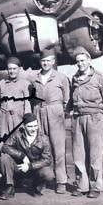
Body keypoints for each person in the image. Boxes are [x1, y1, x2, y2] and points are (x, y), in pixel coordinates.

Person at [70, 46, 103, 198]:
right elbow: (72, 98)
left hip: (95, 118)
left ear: (89, 61)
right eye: (78, 62)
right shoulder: (75, 78)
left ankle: (95, 187)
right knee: (78, 154)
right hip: (78, 118)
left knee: (95, 154)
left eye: (83, 60)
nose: (80, 64)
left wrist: (102, 118)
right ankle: (81, 185)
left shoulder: (100, 77)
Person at [31, 49, 70, 194]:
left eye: (48, 60)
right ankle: (43, 179)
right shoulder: (35, 78)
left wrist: (60, 112)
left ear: (53, 62)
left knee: (58, 149)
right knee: (40, 148)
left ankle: (61, 181)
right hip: (39, 113)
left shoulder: (61, 78)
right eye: (43, 61)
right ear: (40, 62)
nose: (45, 63)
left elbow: (67, 99)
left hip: (55, 114)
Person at [0, 113, 54, 200]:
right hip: (19, 167)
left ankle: (37, 187)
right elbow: (5, 147)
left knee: (48, 173)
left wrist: (30, 166)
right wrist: (22, 156)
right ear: (24, 126)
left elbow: (47, 160)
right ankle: (10, 187)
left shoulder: (44, 138)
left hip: (35, 169)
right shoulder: (17, 134)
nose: (34, 129)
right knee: (5, 158)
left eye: (35, 126)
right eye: (30, 126)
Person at [0, 56, 31, 136]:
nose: (12, 71)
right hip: (4, 118)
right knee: (3, 142)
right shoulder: (1, 83)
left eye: (14, 69)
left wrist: (27, 120)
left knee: (19, 141)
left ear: (19, 69)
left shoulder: (25, 84)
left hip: (18, 118)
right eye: (10, 69)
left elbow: (27, 104)